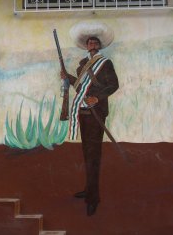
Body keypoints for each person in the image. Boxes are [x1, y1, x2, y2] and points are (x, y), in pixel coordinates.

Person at [60, 21, 119, 216]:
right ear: (86, 46)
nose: (92, 44)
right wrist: (67, 77)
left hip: (96, 114)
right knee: (87, 154)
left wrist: (97, 97)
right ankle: (89, 189)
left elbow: (113, 85)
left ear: (99, 45)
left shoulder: (105, 63)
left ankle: (93, 198)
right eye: (89, 42)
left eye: (95, 42)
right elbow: (79, 88)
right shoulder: (82, 66)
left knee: (94, 156)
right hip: (84, 113)